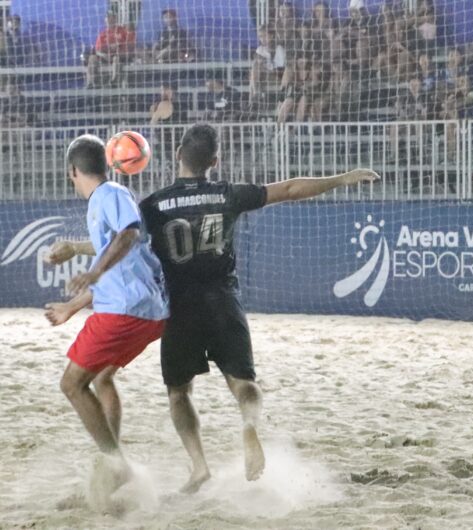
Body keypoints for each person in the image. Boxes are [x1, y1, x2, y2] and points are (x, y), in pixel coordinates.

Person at [51, 125, 379, 494]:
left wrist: (78, 254)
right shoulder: (227, 194)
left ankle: (199, 466)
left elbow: (125, 240)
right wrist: (343, 178)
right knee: (243, 383)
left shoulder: (154, 205)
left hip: (178, 305)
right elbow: (288, 189)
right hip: (223, 298)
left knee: (179, 392)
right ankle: (248, 425)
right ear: (214, 161)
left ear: (176, 155)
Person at [44, 135, 168, 496]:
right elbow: (120, 265)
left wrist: (93, 272)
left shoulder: (110, 194)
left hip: (128, 311)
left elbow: (128, 234)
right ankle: (113, 469)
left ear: (73, 171)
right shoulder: (106, 197)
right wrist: (74, 304)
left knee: (71, 384)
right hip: (143, 310)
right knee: (102, 379)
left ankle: (117, 464)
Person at [86, 12, 135, 88]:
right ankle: (91, 82)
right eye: (107, 18)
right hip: (105, 57)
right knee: (92, 58)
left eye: (111, 17)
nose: (109, 20)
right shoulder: (103, 34)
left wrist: (118, 48)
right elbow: (97, 50)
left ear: (115, 19)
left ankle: (114, 82)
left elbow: (130, 45)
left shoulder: (123, 31)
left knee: (116, 59)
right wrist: (104, 55)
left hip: (120, 56)